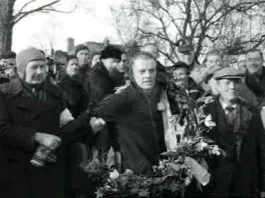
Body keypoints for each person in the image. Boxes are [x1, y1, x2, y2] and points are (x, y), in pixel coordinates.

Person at [0, 47, 104, 198]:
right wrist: (36, 136)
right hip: (14, 170)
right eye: (34, 67)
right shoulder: (4, 93)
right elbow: (2, 129)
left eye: (43, 67)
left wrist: (91, 128)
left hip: (48, 169)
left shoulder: (55, 94)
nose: (40, 71)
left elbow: (67, 128)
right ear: (21, 69)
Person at [93, 52, 166, 174]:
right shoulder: (120, 99)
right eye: (142, 71)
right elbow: (90, 119)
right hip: (136, 175)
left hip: (167, 171)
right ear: (132, 74)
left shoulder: (165, 96)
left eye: (151, 71)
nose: (148, 75)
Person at [200, 67, 265, 197]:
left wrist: (263, 185)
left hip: (247, 183)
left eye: (236, 82)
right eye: (227, 83)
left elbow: (262, 148)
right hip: (217, 184)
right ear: (217, 87)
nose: (232, 87)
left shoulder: (252, 111)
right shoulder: (206, 111)